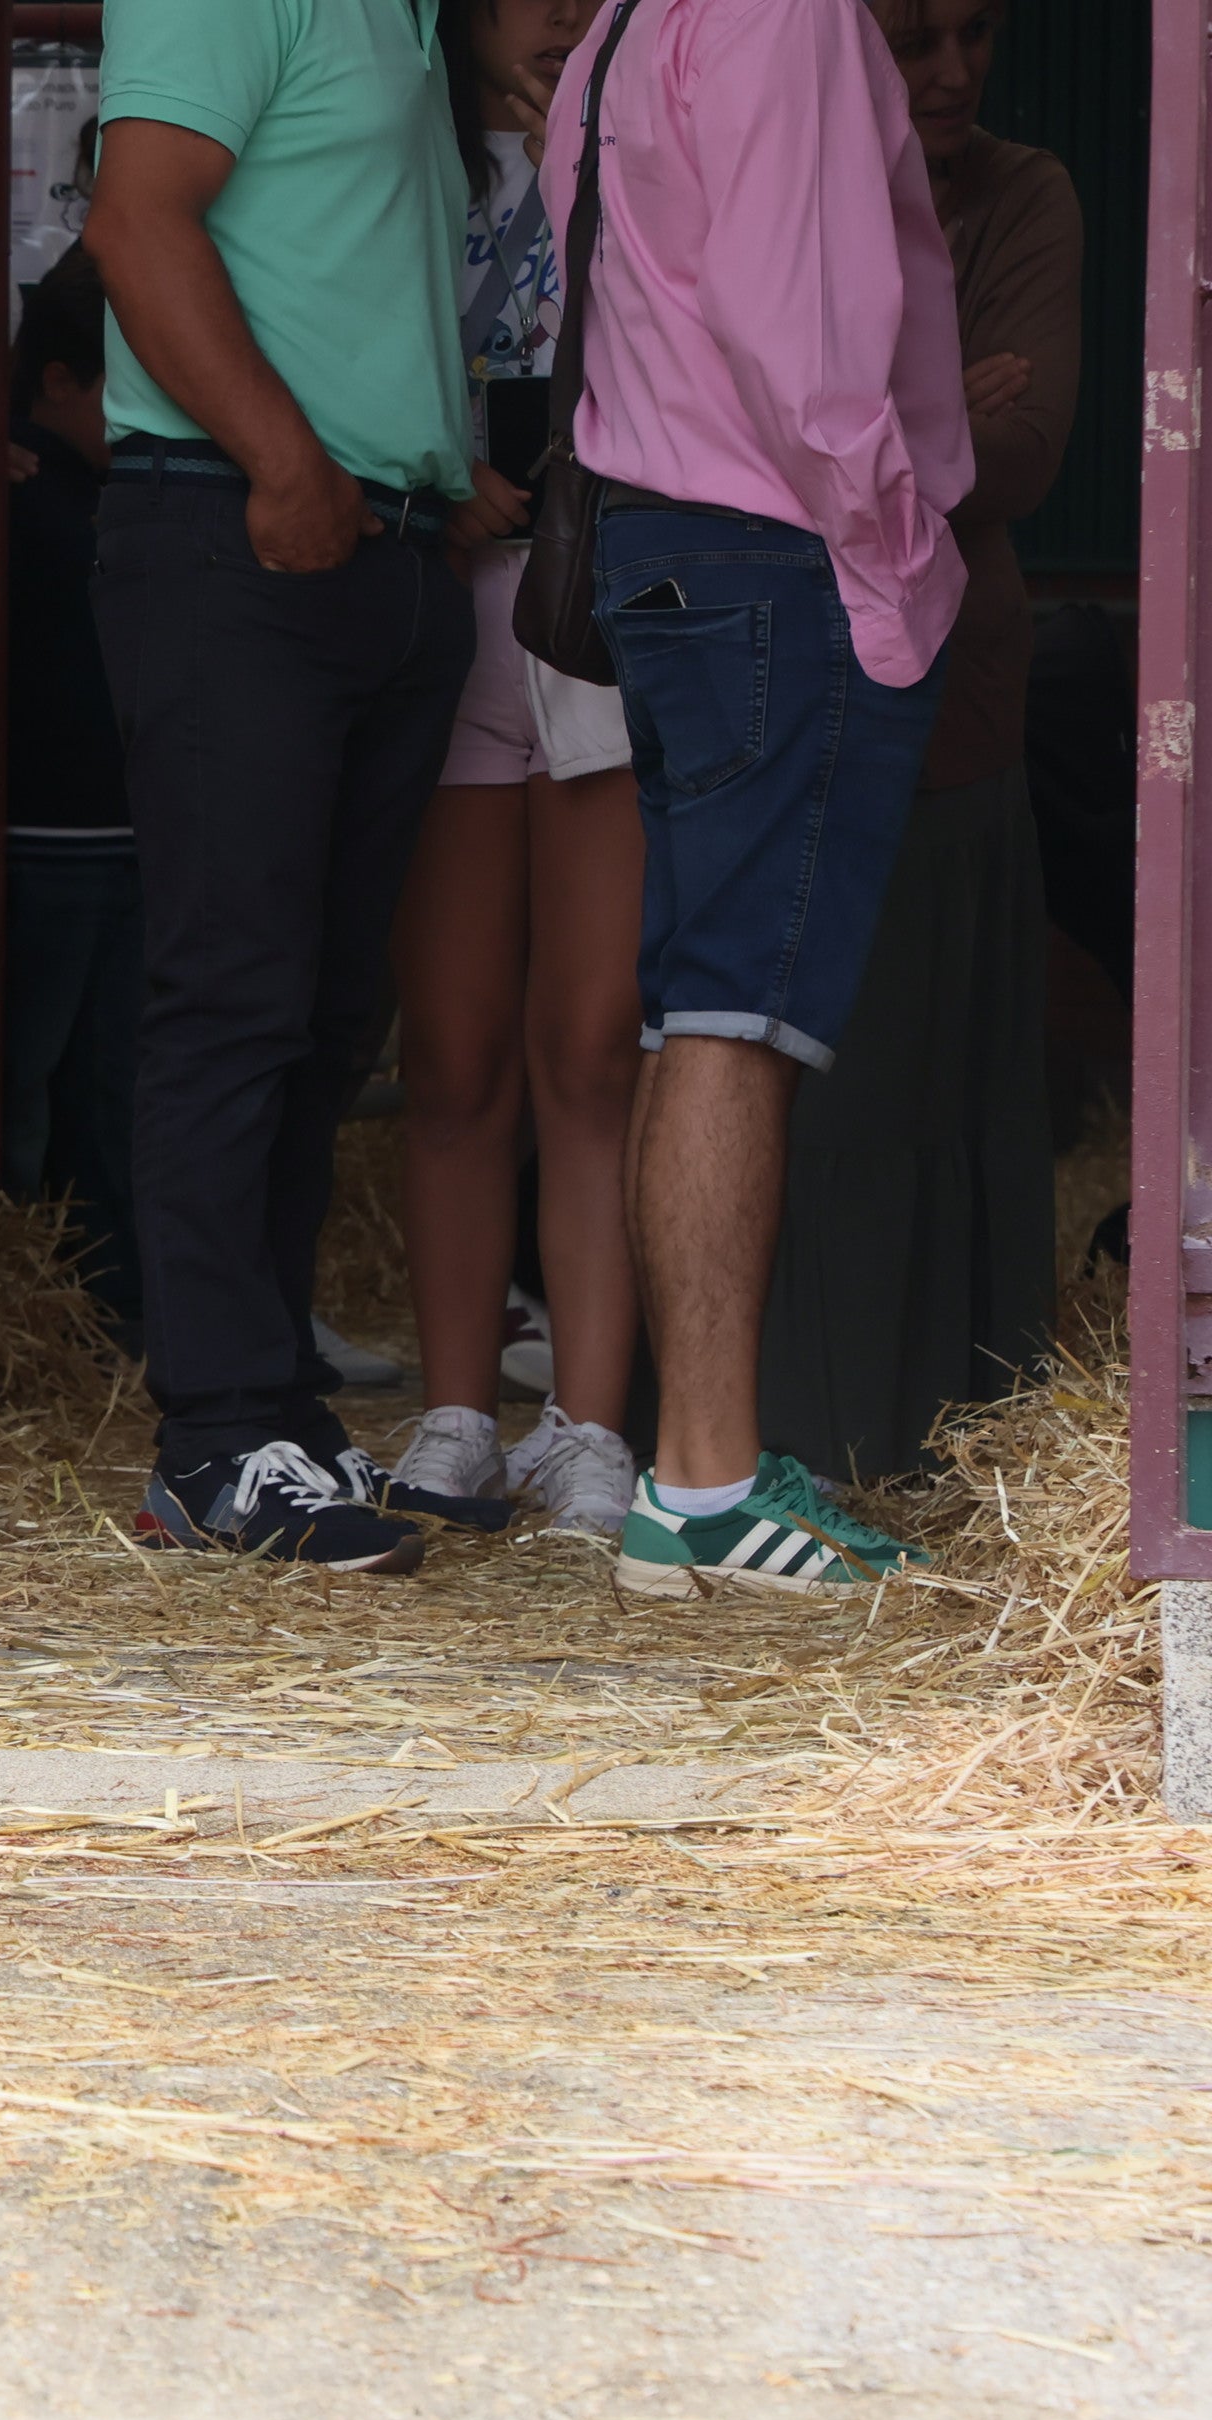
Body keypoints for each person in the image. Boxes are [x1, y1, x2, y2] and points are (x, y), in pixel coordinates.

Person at [547, 0, 970, 1595]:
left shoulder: (620, 26)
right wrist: (902, 550)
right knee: (742, 1014)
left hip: (663, 542)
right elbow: (800, 340)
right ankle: (709, 1487)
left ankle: (694, 1466)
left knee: (693, 1007)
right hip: (777, 545)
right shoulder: (784, 12)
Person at [81, 0, 493, 1571]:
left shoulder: (404, 12)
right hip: (247, 534)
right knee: (239, 996)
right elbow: (135, 219)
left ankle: (272, 1409)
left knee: (321, 1014)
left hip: (365, 543)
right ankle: (213, 1434)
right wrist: (286, 462)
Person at [757, 0, 1073, 1483]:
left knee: (939, 1080)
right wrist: (931, 408)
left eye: (976, 38)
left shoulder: (1027, 192)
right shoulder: (773, 166)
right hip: (770, 686)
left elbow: (1026, 445)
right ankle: (792, 1442)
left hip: (954, 692)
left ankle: (943, 1443)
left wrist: (852, 418)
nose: (950, 72)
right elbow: (747, 434)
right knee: (814, 1082)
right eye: (911, 37)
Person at [381, 0, 644, 1537]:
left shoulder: (645, 142)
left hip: (594, 607)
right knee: (453, 1048)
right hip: (444, 610)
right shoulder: (401, 159)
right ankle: (461, 1411)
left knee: (593, 1042)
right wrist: (434, 463)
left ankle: (593, 1426)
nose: (552, 14)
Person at [0, 244, 143, 1344]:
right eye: (126, 381)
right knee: (45, 1081)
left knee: (83, 1083)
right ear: (59, 381)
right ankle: (42, 1288)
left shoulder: (65, 485)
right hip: (56, 827)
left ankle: (90, 1297)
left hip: (90, 827)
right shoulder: (30, 491)